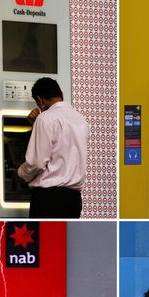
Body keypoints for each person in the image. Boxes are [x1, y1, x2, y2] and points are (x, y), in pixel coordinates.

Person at [18, 77, 89, 218]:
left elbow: (37, 163)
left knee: (44, 239)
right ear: (61, 93)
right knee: (65, 239)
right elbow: (62, 148)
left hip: (47, 199)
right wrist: (35, 126)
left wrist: (20, 173)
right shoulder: (81, 120)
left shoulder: (45, 118)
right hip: (73, 200)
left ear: (40, 100)